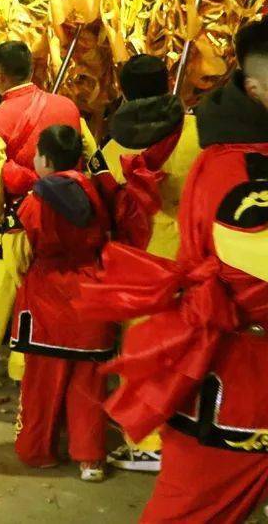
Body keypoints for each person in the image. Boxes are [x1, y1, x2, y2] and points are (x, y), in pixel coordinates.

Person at [78, 18, 268, 521]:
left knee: (150, 364)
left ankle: (143, 441)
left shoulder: (119, 145)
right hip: (210, 295)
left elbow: (100, 194)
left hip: (152, 269)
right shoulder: (210, 146)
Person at [86, 54, 200, 473]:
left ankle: (149, 441)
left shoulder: (114, 147)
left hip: (141, 264)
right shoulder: (200, 132)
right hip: (199, 257)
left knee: (141, 352)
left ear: (120, 87)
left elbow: (96, 205)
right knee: (190, 349)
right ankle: (187, 429)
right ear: (169, 80)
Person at [0, 41, 94, 389]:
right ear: (31, 70)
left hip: (13, 222)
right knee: (39, 297)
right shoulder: (67, 106)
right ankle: (26, 365)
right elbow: (89, 154)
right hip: (60, 219)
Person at [8, 125, 112, 482]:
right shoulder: (93, 189)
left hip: (48, 296)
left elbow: (22, 252)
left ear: (46, 160)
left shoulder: (36, 199)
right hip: (92, 294)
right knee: (89, 382)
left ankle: (38, 451)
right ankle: (91, 459)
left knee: (41, 384)